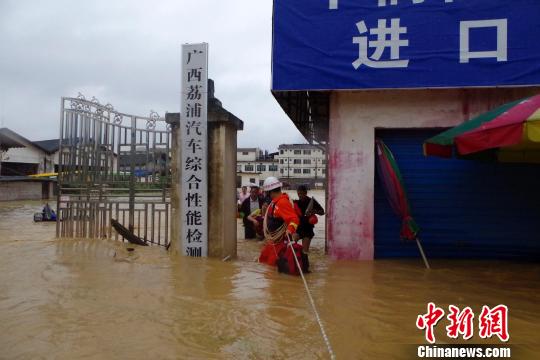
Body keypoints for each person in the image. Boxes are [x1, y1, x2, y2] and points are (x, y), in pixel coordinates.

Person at [259, 177, 308, 275]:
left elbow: (294, 219)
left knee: (273, 269)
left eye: (266, 192)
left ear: (270, 192)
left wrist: (290, 229)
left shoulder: (282, 202)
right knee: (265, 263)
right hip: (274, 242)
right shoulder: (275, 201)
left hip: (281, 243)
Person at [293, 185, 325, 253]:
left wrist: (314, 211)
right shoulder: (296, 203)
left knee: (305, 252)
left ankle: (304, 262)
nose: (300, 195)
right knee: (291, 245)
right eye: (298, 194)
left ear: (306, 193)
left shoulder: (312, 201)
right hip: (298, 228)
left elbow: (322, 212)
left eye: (302, 193)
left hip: (308, 230)